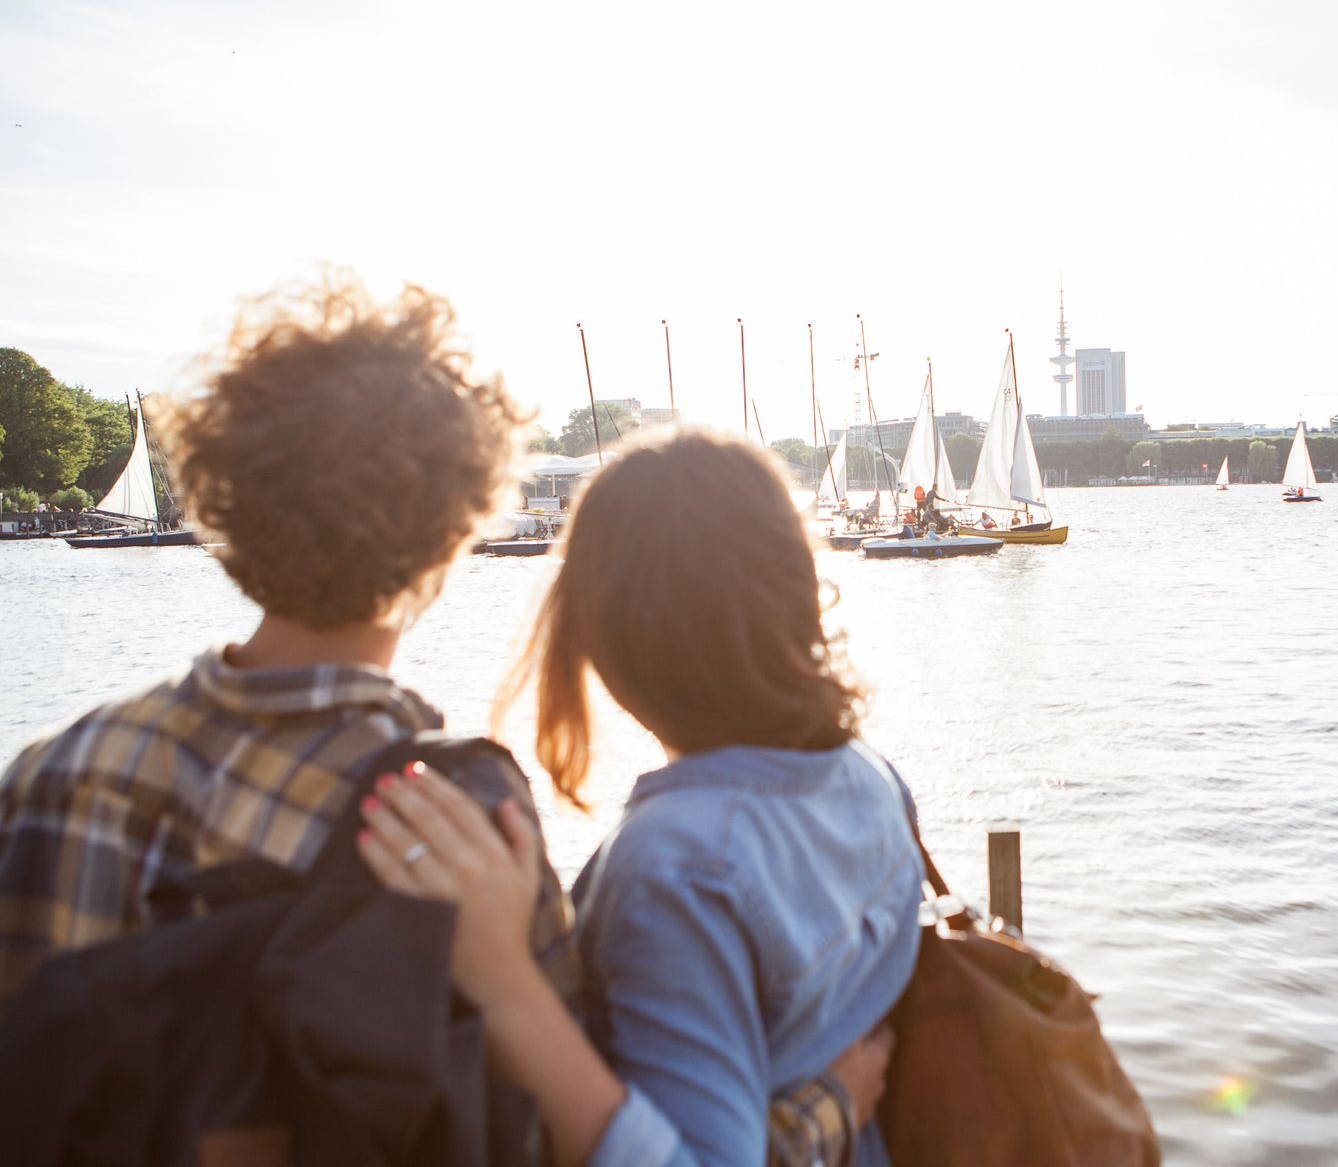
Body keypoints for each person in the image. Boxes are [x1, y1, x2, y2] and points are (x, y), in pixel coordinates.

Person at [0, 275, 876, 1165]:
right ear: (456, 535)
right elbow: (550, 1143)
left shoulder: (47, 778)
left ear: (221, 499)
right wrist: (825, 1109)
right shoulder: (459, 820)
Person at [362, 428, 924, 1167]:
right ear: (798, 589)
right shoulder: (870, 777)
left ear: (604, 640)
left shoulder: (674, 867)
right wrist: (839, 1105)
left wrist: (504, 982)